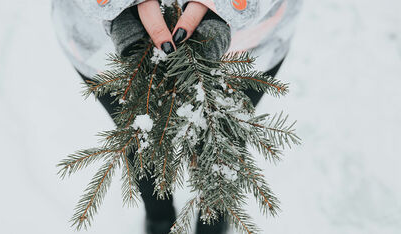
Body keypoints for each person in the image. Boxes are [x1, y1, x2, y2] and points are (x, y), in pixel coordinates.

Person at [51, 0, 302, 233]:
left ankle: (213, 220)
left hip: (247, 45)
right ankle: (159, 216)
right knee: (142, 135)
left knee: (222, 137)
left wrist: (228, 5)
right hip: (99, 43)